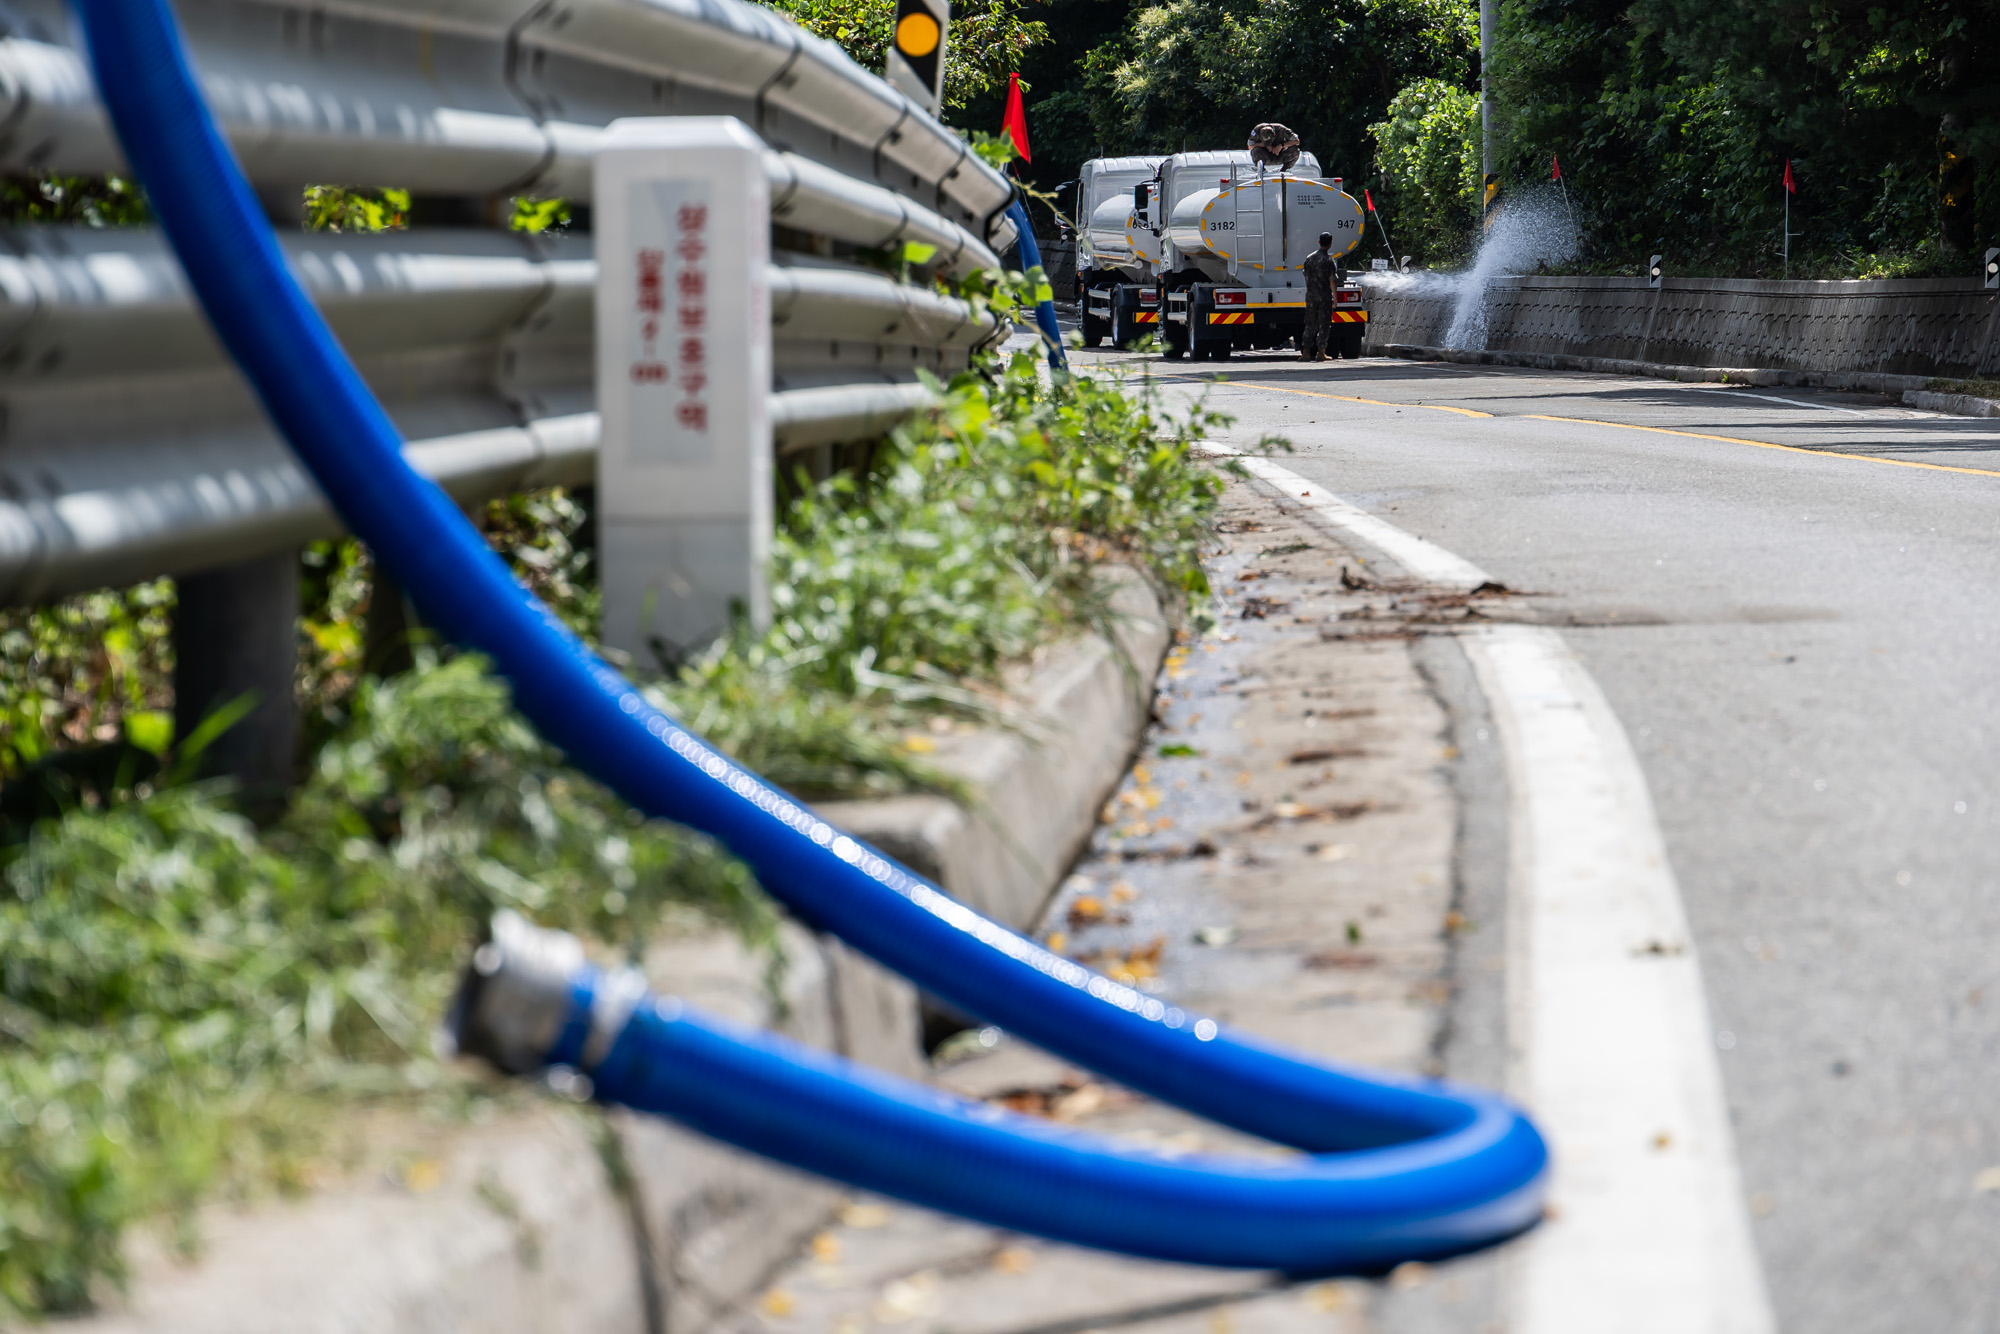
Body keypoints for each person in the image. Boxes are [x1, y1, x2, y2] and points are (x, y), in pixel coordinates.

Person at [1301, 230, 1344, 361]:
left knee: (1309, 324)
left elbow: (1306, 277)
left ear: (1319, 242)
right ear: (1330, 244)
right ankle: (1321, 352)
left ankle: (1306, 353)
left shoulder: (1309, 258)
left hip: (1311, 297)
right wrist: (1335, 298)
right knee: (1324, 324)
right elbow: (1332, 280)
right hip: (1324, 297)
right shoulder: (1329, 261)